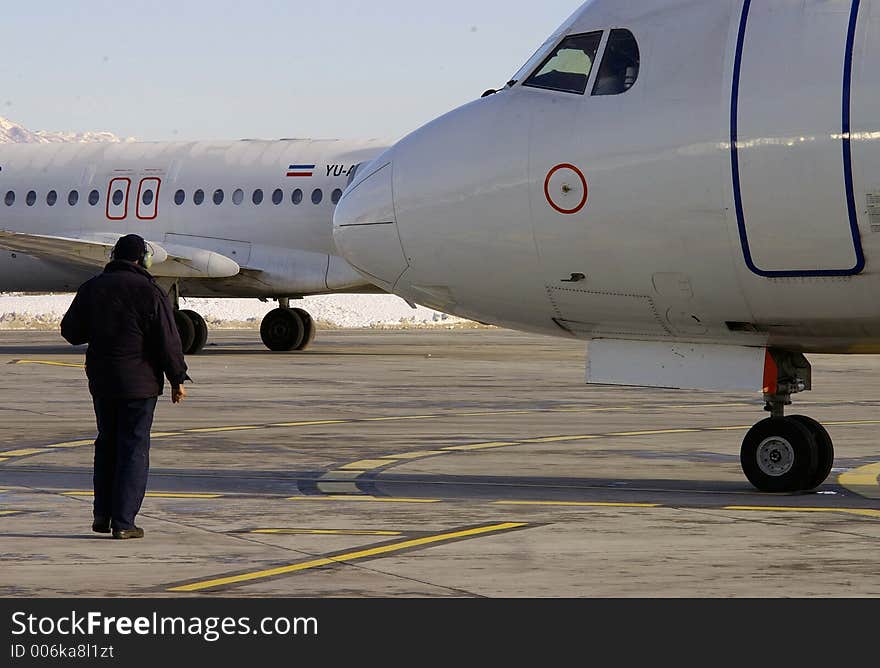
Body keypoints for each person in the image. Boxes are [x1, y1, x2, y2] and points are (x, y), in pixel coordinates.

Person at [61, 234, 190, 540]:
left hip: (102, 381)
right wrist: (177, 378)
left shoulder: (92, 287)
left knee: (106, 444)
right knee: (133, 448)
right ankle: (123, 521)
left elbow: (70, 332)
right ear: (142, 258)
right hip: (140, 384)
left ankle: (102, 514)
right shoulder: (150, 291)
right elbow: (167, 340)